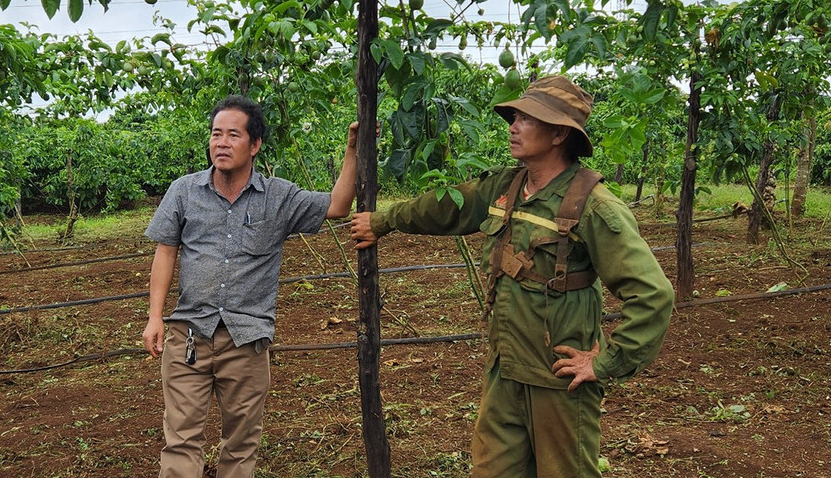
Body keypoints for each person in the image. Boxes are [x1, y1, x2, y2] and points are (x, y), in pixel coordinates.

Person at [350, 75, 674, 478]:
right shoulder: (507, 185)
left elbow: (653, 294)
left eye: (526, 119)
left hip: (558, 382)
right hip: (505, 370)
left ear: (558, 134)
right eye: (514, 116)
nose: (513, 126)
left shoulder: (592, 206)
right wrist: (383, 220)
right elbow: (444, 207)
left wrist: (605, 362)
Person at [143, 94, 359, 478]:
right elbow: (166, 251)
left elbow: (339, 205)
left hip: (246, 341)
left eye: (232, 135)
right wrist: (154, 317)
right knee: (181, 441)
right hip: (189, 336)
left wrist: (352, 150)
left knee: (241, 447)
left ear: (255, 144)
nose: (221, 143)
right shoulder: (184, 191)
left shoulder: (279, 197)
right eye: (215, 134)